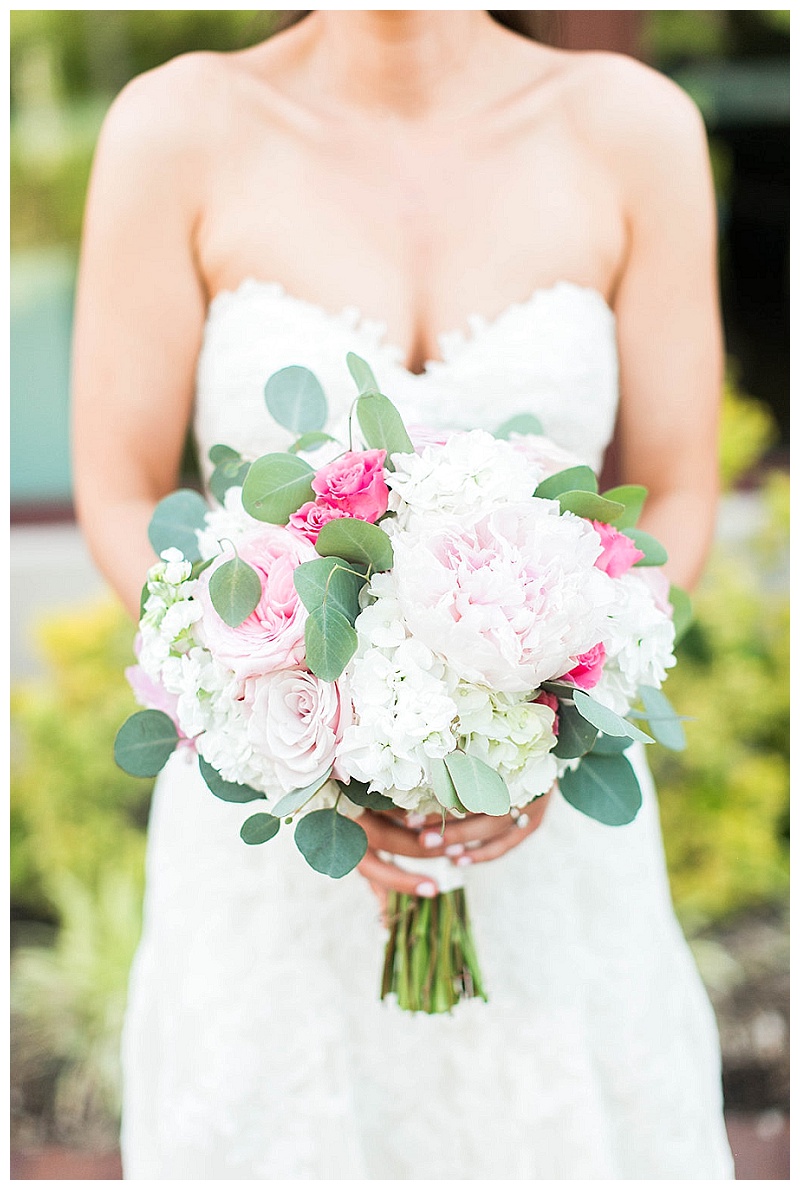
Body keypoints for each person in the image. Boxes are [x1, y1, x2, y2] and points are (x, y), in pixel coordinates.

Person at [72, 11, 734, 1179]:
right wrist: (290, 709)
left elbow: (673, 492)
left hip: (548, 828)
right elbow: (123, 494)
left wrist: (544, 720)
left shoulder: (635, 130)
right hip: (269, 822)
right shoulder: (175, 127)